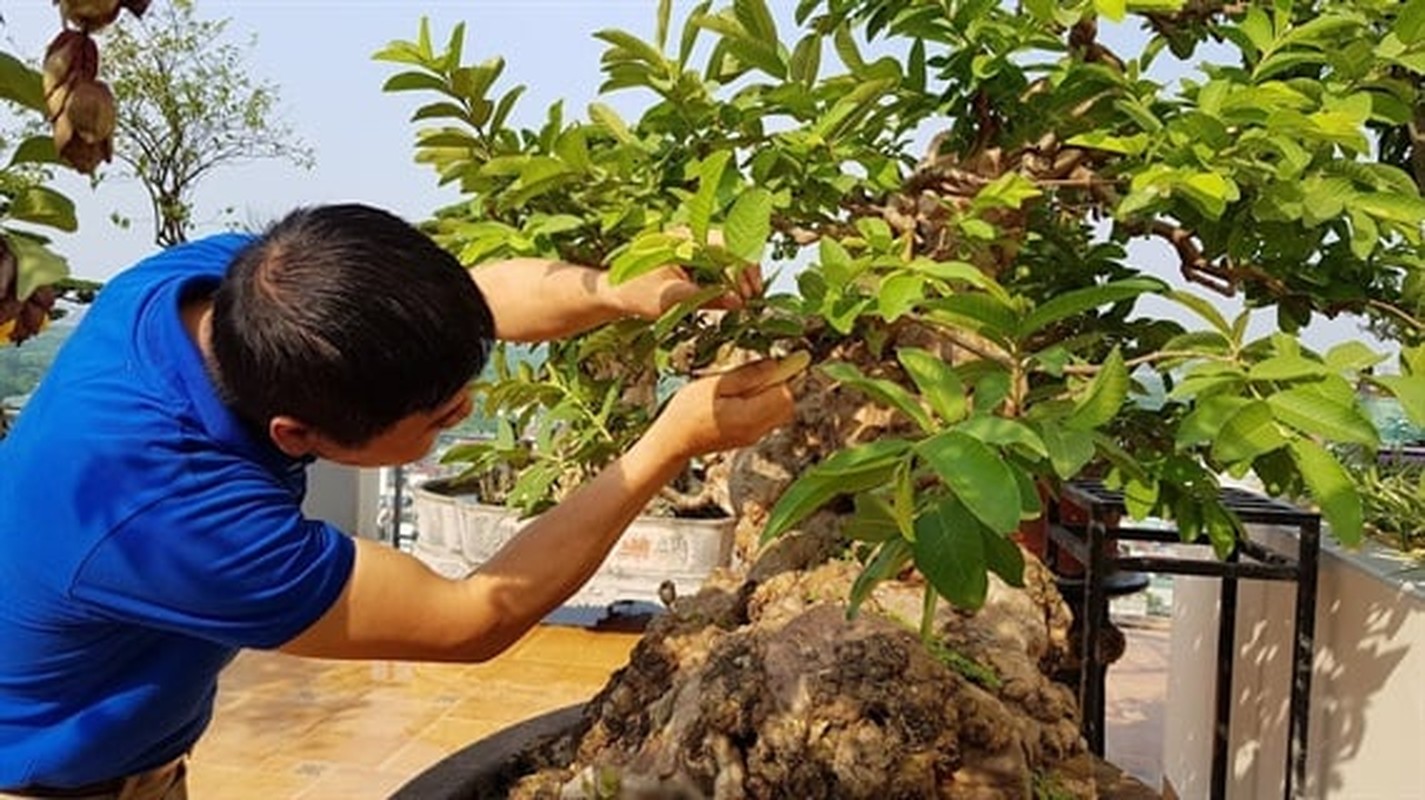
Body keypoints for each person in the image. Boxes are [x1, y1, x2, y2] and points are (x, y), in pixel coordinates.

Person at [0, 204, 795, 798]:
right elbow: (470, 618)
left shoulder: (234, 289)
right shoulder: (173, 518)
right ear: (298, 433)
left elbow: (467, 301)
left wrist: (620, 289)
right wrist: (668, 443)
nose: (464, 411)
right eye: (442, 417)